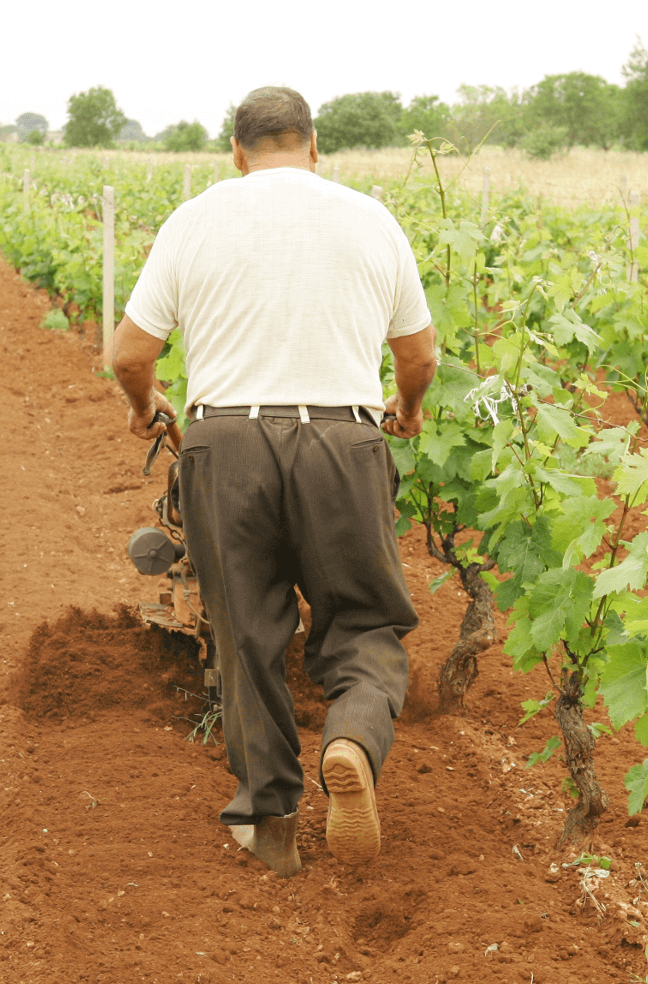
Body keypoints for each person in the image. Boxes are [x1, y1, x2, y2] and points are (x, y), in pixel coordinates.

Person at [111, 85, 437, 878]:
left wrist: (144, 404)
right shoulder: (370, 218)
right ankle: (353, 740)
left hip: (226, 441)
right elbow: (420, 355)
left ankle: (271, 823)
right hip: (343, 438)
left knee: (247, 637)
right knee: (363, 623)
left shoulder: (195, 220)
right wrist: (410, 406)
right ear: (315, 146)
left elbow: (128, 355)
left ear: (237, 152)